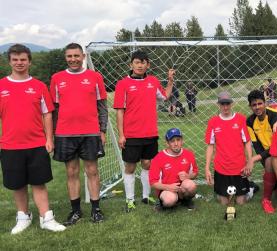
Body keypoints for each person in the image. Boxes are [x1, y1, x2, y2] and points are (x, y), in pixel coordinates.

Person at [0, 44, 66, 234]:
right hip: (10, 145)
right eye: (15, 59)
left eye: (23, 59)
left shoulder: (38, 86)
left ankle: (47, 217)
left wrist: (49, 139)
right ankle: (23, 217)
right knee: (17, 184)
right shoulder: (1, 85)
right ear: (10, 61)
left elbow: (47, 115)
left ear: (29, 61)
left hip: (37, 143)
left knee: (39, 182)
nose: (19, 63)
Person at [50, 43, 108, 225]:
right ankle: (75, 211)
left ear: (83, 56)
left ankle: (96, 210)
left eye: (76, 56)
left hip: (90, 133)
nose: (73, 59)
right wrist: (52, 134)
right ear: (65, 57)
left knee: (92, 170)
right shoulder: (57, 78)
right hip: (66, 133)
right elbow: (54, 110)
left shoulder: (95, 77)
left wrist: (103, 130)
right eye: (69, 56)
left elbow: (102, 106)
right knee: (71, 171)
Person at [113, 50, 174, 212]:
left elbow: (165, 96)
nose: (140, 65)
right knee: (131, 167)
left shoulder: (153, 81)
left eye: (143, 62)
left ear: (148, 65)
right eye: (137, 62)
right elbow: (119, 110)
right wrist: (121, 134)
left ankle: (146, 196)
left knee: (148, 164)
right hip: (131, 134)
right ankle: (130, 200)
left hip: (150, 133)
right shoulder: (122, 84)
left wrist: (170, 80)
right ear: (131, 64)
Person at [205, 91, 254, 205]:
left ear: (232, 104)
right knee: (224, 203)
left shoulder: (240, 119)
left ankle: (250, 189)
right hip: (221, 168)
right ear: (218, 105)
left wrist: (249, 162)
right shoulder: (213, 122)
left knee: (241, 202)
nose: (225, 107)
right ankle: (223, 192)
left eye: (227, 103)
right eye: (222, 104)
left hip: (239, 167)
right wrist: (207, 168)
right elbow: (210, 146)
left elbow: (247, 142)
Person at [246, 90, 277, 213]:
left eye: (260, 103)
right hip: (269, 157)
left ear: (265, 103)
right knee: (268, 162)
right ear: (250, 106)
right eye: (254, 105)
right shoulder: (250, 122)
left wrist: (253, 159)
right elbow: (257, 146)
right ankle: (266, 199)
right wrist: (254, 158)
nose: (257, 107)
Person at [149, 128, 198, 210]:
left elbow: (195, 173)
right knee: (169, 200)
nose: (176, 143)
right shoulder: (158, 158)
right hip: (166, 189)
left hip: (182, 188)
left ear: (182, 141)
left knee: (191, 186)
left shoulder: (189, 154)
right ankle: (163, 203)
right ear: (167, 143)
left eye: (178, 140)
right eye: (172, 141)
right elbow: (153, 183)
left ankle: (186, 200)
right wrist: (168, 187)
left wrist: (188, 176)